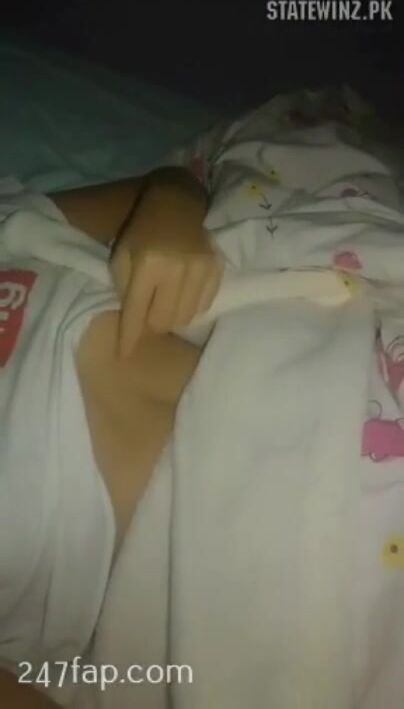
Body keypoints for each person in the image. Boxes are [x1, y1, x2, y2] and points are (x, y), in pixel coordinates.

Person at [0, 166, 224, 708]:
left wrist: (170, 211)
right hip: (252, 600)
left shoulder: (9, 223)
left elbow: (175, 182)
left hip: (326, 398)